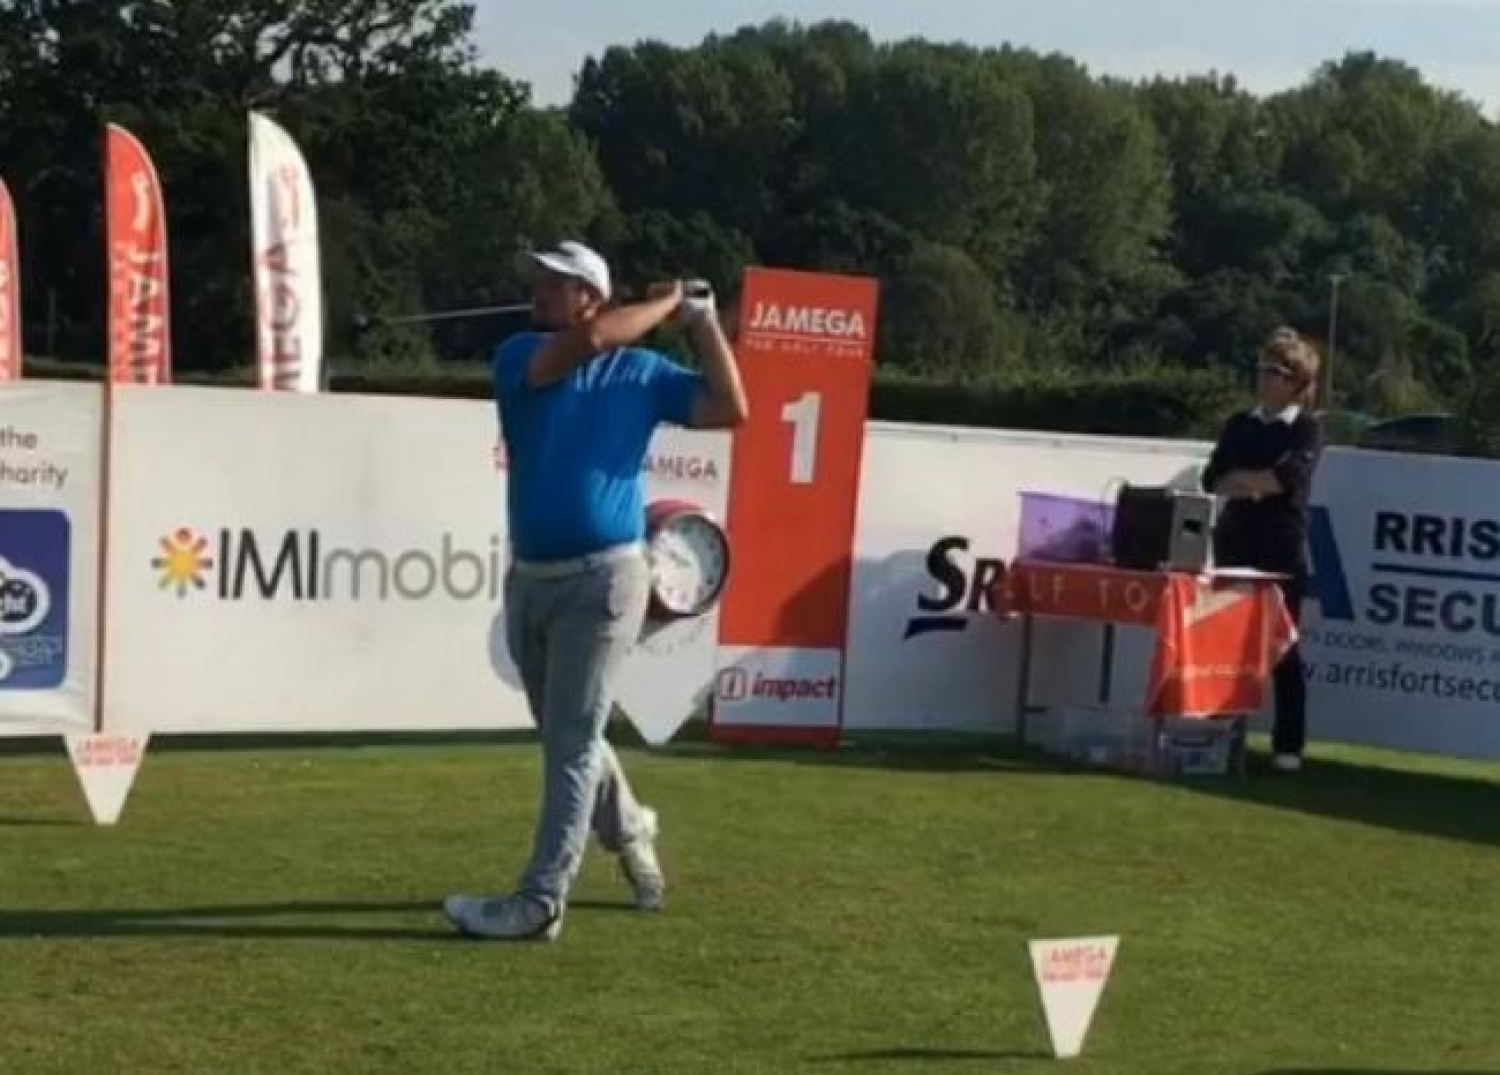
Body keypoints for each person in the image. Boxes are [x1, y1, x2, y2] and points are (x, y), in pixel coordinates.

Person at [444, 241, 748, 941]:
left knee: (574, 741)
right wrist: (665, 303)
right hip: (531, 581)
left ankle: (539, 902)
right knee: (567, 737)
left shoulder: (640, 370)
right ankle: (631, 826)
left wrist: (701, 323)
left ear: (591, 294)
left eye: (556, 282)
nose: (538, 289)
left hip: (607, 580)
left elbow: (730, 407)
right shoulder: (521, 354)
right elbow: (589, 342)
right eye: (539, 280)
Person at [1200, 326, 1324, 773]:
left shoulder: (1306, 428)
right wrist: (1250, 482)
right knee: (1226, 642)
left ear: (1296, 382)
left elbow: (1286, 479)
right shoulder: (1240, 424)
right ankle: (1222, 734)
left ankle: (1288, 744)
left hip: (1280, 549)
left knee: (1282, 647)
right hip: (1235, 541)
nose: (1264, 378)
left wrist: (1247, 480)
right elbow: (1213, 478)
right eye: (1262, 369)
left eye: (1275, 372)